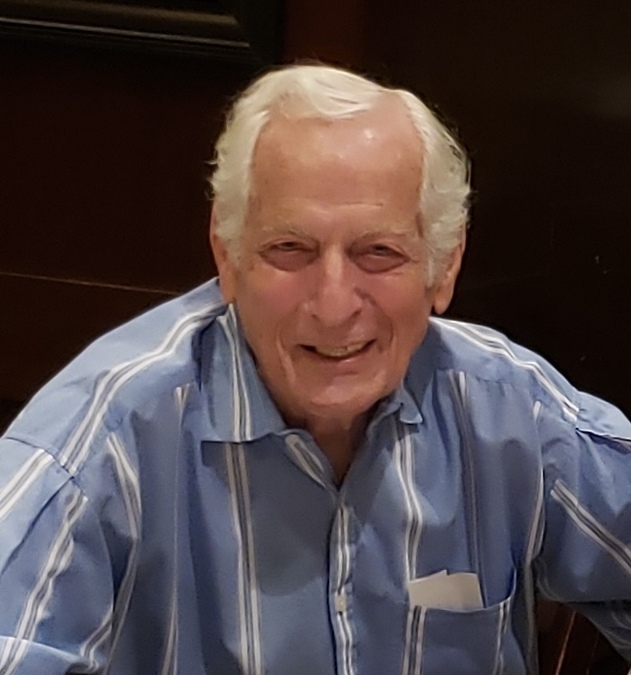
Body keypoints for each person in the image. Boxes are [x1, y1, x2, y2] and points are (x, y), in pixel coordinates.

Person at [0, 63, 630, 674]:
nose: (333, 305)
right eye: (290, 249)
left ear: (445, 265)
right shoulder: (97, 449)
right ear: (227, 255)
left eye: (378, 252)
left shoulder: (511, 410)